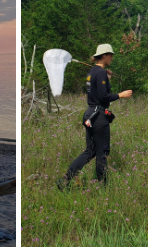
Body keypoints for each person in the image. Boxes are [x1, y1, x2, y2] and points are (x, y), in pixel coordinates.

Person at [57, 44, 133, 190]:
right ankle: (103, 187)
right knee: (102, 152)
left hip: (90, 114)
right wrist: (120, 95)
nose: (112, 57)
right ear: (104, 56)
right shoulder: (100, 73)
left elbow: (99, 92)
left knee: (90, 150)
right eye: (110, 55)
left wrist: (108, 77)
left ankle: (65, 181)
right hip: (98, 117)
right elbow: (104, 96)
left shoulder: (92, 72)